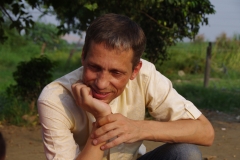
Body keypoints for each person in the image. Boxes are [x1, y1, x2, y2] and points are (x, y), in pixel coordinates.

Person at [38, 13, 214, 160]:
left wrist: (139, 128)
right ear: (83, 56)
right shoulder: (55, 98)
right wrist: (102, 119)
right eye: (94, 67)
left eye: (116, 73)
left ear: (135, 70)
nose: (101, 83)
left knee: (186, 154)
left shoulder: (146, 76)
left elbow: (205, 132)